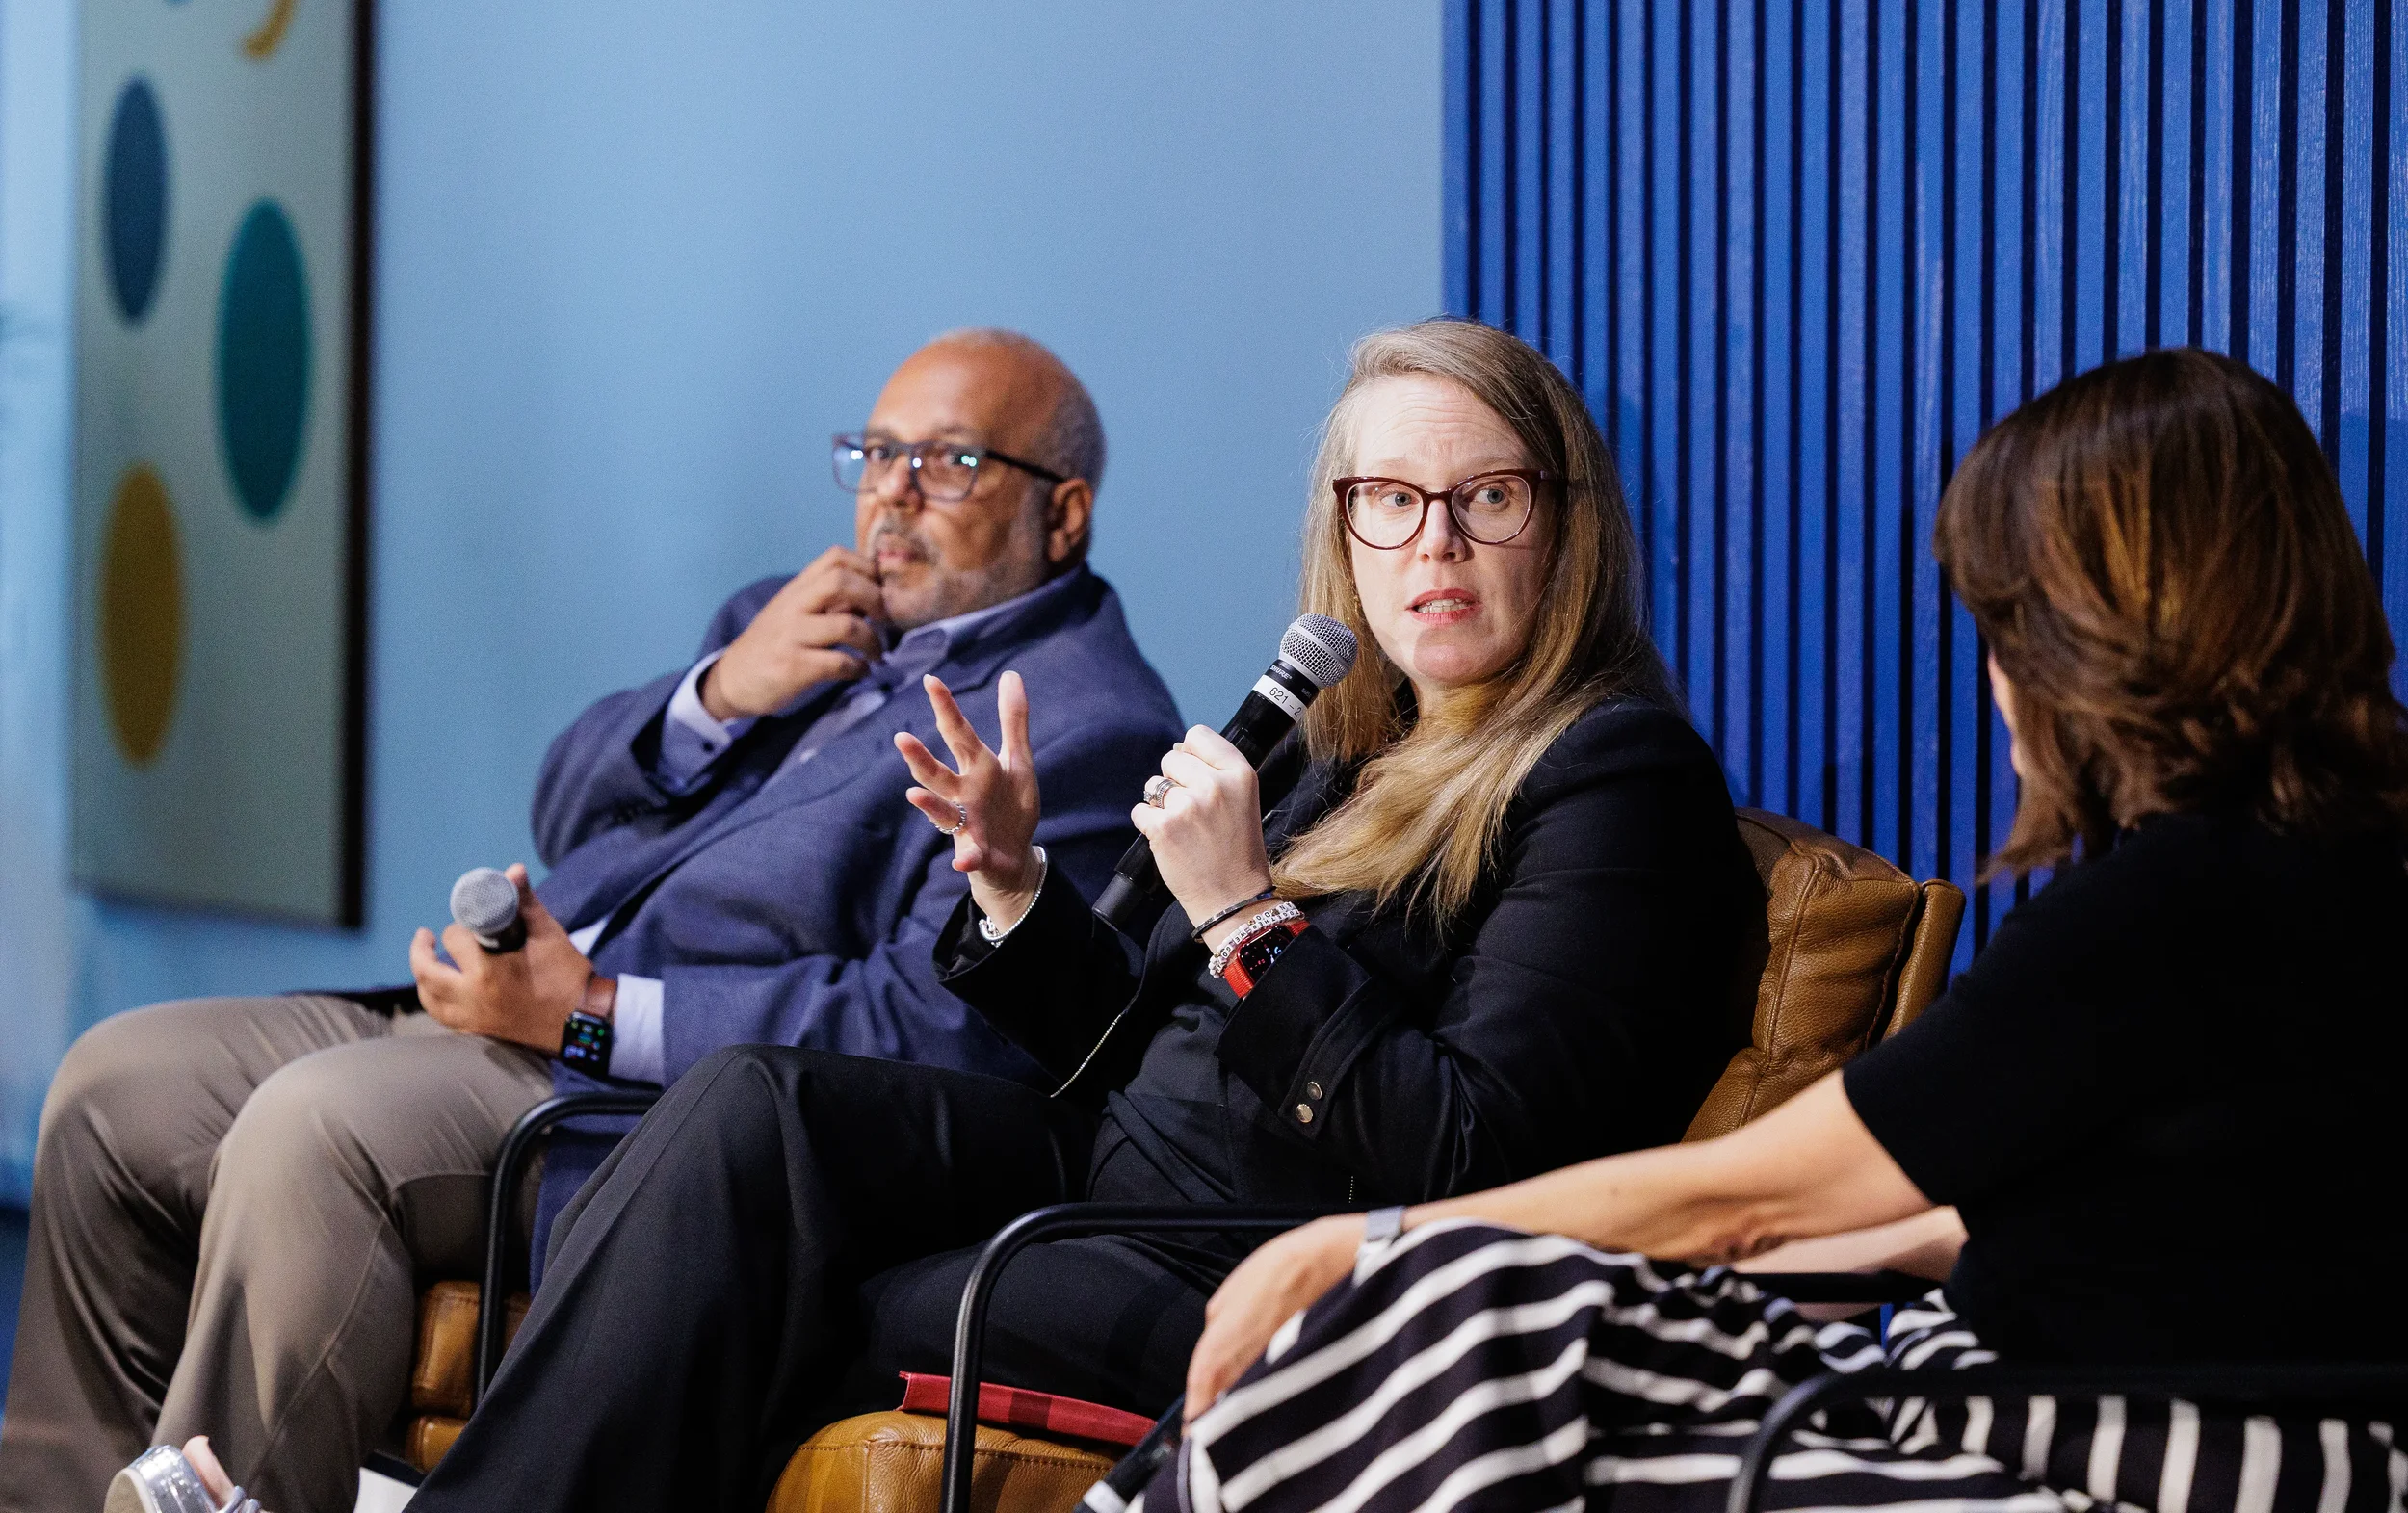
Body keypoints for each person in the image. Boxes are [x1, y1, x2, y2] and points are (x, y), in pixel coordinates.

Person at [386, 318, 1765, 1513]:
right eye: (1392, 499)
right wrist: (1010, 881)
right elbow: (1129, 1038)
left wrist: (1244, 915)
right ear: (1345, 532)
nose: (1435, 543)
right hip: (1107, 1176)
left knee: (773, 1280)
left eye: (1488, 497)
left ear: (1565, 523)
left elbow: (1475, 1152)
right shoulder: (1347, 738)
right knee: (756, 1105)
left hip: (1265, 1254)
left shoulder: (1612, 775)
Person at [1167, 348, 2408, 1513]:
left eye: (2005, 623)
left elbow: (1744, 1198)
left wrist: (1375, 1245)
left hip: (2152, 1446)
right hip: (2124, 1390)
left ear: (2092, 640)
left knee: (1462, 1350)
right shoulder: (2327, 870)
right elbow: (2197, 1215)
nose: (1997, 679)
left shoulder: (2167, 912)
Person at [0, 329, 1184, 1513]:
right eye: (877, 453)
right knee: (117, 1084)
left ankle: (229, 1495)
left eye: (951, 461)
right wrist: (720, 691)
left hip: (633, 1092)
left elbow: (929, 1032)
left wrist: (593, 1011)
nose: (894, 492)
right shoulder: (795, 617)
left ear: (1062, 514)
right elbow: (566, 806)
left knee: (315, 1124)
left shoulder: (1082, 724)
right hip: (484, 1009)